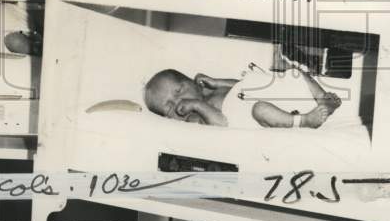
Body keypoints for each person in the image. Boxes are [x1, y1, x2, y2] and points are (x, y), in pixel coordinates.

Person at [143, 46, 343, 129]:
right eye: (168, 107)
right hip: (260, 113)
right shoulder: (195, 117)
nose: (178, 102)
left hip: (268, 93)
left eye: (178, 91)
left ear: (192, 82)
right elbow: (220, 123)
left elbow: (240, 86)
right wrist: (197, 105)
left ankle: (324, 99)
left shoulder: (209, 92)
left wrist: (218, 82)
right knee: (261, 109)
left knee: (295, 74)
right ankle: (305, 121)